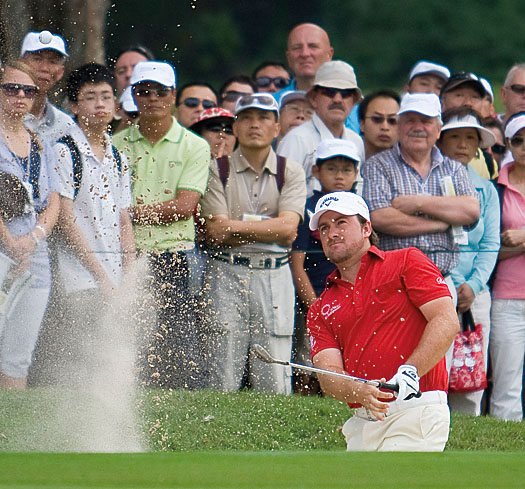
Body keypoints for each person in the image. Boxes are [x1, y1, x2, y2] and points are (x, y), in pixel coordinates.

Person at [307, 191, 459, 452]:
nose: (331, 233)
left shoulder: (406, 261)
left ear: (366, 228)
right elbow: (329, 376)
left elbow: (446, 320)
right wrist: (358, 391)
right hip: (361, 423)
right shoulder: (321, 307)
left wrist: (411, 371)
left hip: (416, 410)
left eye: (341, 222)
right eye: (324, 228)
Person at [113, 61, 210, 389]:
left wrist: (129, 214)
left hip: (174, 254)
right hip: (127, 255)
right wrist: (130, 215)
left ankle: (182, 403)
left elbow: (184, 207)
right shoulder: (116, 145)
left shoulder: (195, 145)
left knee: (176, 338)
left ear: (173, 96)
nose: (152, 97)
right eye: (143, 91)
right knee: (129, 334)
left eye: (161, 91)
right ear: (134, 96)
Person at [200, 93, 306, 394]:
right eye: (246, 118)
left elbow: (289, 228)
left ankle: (272, 439)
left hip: (274, 275)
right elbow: (216, 232)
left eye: (263, 118)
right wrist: (268, 227)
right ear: (235, 127)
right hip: (225, 272)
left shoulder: (291, 170)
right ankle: (213, 435)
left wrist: (233, 227)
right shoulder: (216, 169)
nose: (254, 125)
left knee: (274, 373)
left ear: (276, 127)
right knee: (221, 372)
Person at [40, 63, 135, 385]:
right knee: (83, 358)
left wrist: (129, 271)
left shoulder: (118, 156)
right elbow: (66, 221)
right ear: (74, 106)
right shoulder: (65, 152)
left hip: (113, 277)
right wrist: (101, 275)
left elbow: (124, 219)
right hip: (79, 278)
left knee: (111, 356)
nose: (100, 104)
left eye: (106, 96)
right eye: (90, 97)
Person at [361, 93, 479, 301]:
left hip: (442, 282)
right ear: (399, 126)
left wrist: (417, 202)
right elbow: (379, 218)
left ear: (438, 129)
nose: (418, 127)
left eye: (426, 121)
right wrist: (440, 223)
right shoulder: (377, 165)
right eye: (410, 121)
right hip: (394, 285)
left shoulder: (454, 168)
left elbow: (470, 211)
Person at [0, 61, 60, 389]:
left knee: (18, 356)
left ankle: (11, 433)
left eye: (28, 90)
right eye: (11, 88)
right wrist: (10, 242)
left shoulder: (41, 142)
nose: (20, 96)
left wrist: (32, 239)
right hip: (2, 253)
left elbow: (53, 201)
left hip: (34, 261)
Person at [437, 107, 500, 415]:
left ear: (478, 144)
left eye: (469, 138)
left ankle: (467, 438)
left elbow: (490, 243)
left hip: (475, 294)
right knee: (434, 371)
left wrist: (474, 285)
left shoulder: (486, 189)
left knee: (470, 373)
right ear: (440, 140)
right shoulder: (428, 184)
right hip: (434, 289)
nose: (462, 144)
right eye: (454, 137)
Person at [290, 139, 359, 395]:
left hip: (352, 300)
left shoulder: (360, 210)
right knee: (309, 364)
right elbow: (297, 266)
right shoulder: (308, 210)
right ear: (316, 171)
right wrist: (316, 309)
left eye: (347, 169)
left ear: (356, 173)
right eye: (332, 169)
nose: (340, 175)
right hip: (313, 299)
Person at [277, 60, 364, 197]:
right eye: (330, 92)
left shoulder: (356, 141)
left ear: (353, 102)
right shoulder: (296, 140)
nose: (337, 99)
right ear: (313, 99)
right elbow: (281, 194)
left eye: (345, 93)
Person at [489, 111, 525, 422]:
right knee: (507, 383)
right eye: (519, 140)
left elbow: (512, 242)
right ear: (509, 144)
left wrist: (522, 239)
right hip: (508, 297)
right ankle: (509, 447)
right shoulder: (495, 189)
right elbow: (488, 249)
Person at [20, 30, 76, 141]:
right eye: (37, 59)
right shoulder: (4, 114)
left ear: (60, 72)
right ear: (21, 64)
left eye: (52, 62)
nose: (44, 68)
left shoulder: (65, 125)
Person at [440, 72, 497, 179]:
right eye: (459, 95)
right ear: (442, 103)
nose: (468, 103)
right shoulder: (424, 151)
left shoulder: (488, 162)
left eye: (475, 97)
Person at [358, 90, 400, 159]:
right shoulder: (346, 155)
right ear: (362, 124)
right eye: (377, 119)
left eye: (392, 120)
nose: (385, 127)